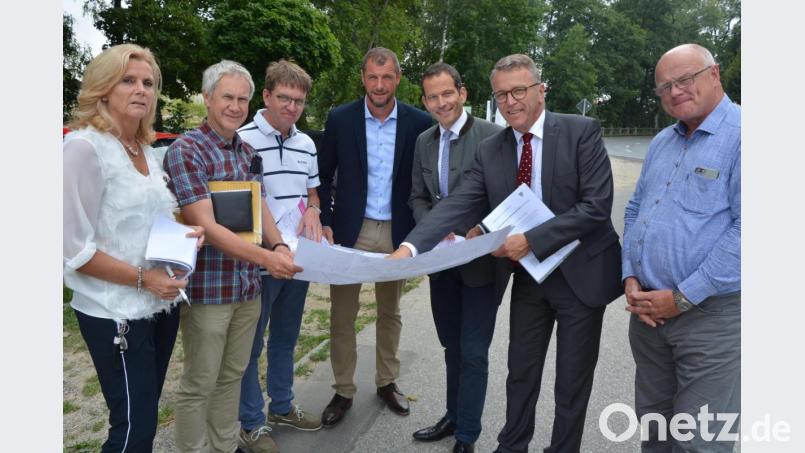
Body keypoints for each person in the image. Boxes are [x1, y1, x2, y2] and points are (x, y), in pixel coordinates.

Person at [390, 54, 623, 453]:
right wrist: (411, 247)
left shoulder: (580, 131)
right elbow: (459, 203)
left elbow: (596, 206)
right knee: (521, 372)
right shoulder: (492, 147)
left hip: (580, 276)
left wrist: (531, 238)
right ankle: (512, 446)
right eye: (502, 94)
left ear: (540, 90)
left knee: (571, 380)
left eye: (519, 91)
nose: (511, 102)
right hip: (530, 277)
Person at [63, 43, 204, 452]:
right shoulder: (83, 149)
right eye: (128, 80)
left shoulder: (144, 150)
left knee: (142, 418)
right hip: (115, 312)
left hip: (158, 306)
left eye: (148, 82)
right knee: (132, 431)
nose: (141, 89)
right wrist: (144, 279)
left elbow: (147, 222)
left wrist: (185, 239)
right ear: (103, 89)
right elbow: (73, 249)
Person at [164, 60, 301, 453]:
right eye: (227, 97)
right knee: (200, 382)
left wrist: (277, 246)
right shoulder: (186, 150)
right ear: (207, 98)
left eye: (242, 99)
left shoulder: (246, 151)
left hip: (247, 287)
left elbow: (261, 209)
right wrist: (267, 258)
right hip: (209, 290)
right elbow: (206, 226)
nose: (236, 106)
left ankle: (224, 445)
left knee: (232, 376)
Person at [623, 43, 741, 452]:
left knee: (701, 439)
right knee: (654, 428)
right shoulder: (662, 143)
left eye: (685, 80)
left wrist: (684, 297)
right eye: (665, 87)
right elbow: (635, 209)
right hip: (650, 317)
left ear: (714, 75)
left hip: (711, 318)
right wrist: (630, 276)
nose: (675, 92)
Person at [316, 47, 432, 427]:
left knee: (390, 312)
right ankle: (343, 390)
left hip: (398, 234)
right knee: (342, 315)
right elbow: (322, 175)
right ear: (362, 78)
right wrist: (327, 221)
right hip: (352, 231)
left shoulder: (418, 122)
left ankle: (386, 381)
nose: (379, 86)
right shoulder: (340, 119)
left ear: (398, 78)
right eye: (372, 77)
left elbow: (423, 180)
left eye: (386, 77)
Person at [408, 62, 503, 453]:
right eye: (433, 96)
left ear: (462, 93)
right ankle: (452, 416)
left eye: (448, 93)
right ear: (425, 101)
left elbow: (507, 200)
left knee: (474, 352)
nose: (441, 102)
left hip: (481, 263)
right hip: (440, 263)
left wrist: (471, 229)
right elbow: (416, 196)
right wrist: (432, 227)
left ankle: (468, 435)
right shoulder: (423, 141)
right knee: (452, 346)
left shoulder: (494, 137)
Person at [236, 60, 323, 445]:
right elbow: (242, 204)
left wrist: (316, 210)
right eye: (284, 98)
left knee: (286, 337)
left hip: (298, 260)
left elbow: (313, 192)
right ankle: (252, 422)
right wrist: (271, 247)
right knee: (251, 345)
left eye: (299, 101)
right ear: (267, 95)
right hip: (259, 261)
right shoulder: (242, 139)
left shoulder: (307, 143)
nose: (291, 107)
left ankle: (283, 406)